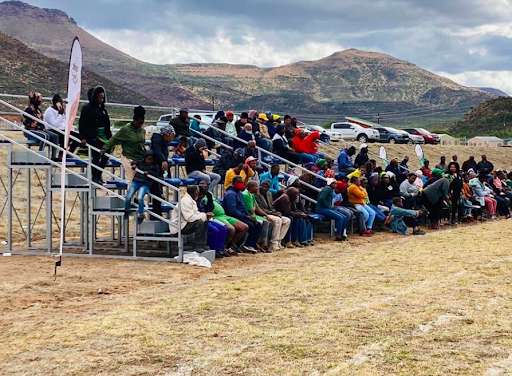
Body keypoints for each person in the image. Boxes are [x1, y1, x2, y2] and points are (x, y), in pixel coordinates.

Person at [102, 106, 147, 183]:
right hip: (129, 157)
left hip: (140, 157)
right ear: (134, 120)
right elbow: (114, 139)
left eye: (142, 123)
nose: (140, 125)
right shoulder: (125, 130)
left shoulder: (142, 131)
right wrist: (105, 148)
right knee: (132, 180)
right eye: (138, 123)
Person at [79, 87, 112, 184]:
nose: (101, 100)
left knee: (107, 153)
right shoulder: (87, 109)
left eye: (102, 98)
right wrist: (83, 137)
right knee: (97, 154)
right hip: (92, 136)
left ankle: (99, 173)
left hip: (103, 136)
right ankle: (95, 176)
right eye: (99, 98)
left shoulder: (103, 110)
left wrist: (110, 138)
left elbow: (107, 125)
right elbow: (82, 124)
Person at [223, 176, 263, 253]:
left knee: (257, 224)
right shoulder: (230, 194)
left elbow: (243, 207)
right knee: (250, 225)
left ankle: (249, 245)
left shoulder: (239, 193)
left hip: (241, 214)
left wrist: (248, 215)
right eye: (239, 183)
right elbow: (232, 210)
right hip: (233, 215)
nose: (241, 184)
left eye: (242, 183)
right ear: (234, 183)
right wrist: (245, 216)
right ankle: (232, 245)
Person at [124, 150, 160, 224]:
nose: (149, 161)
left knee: (140, 198)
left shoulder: (155, 166)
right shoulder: (140, 162)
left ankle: (141, 214)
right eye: (148, 159)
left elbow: (156, 174)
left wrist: (149, 173)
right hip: (136, 182)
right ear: (145, 158)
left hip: (145, 184)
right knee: (128, 197)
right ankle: (127, 210)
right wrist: (134, 165)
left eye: (151, 159)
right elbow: (135, 162)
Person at [169, 185, 210, 250]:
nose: (198, 194)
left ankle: (203, 244)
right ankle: (197, 246)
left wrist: (205, 215)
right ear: (194, 193)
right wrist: (204, 216)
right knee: (199, 223)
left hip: (185, 223)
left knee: (204, 220)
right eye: (197, 192)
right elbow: (189, 218)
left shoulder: (191, 200)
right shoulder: (185, 200)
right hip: (179, 226)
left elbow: (196, 213)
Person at [255, 180, 292, 251]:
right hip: (262, 214)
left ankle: (278, 241)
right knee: (278, 220)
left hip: (270, 213)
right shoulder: (256, 194)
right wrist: (272, 213)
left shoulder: (269, 194)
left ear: (269, 188)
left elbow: (271, 206)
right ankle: (273, 243)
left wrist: (276, 212)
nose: (264, 188)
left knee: (287, 220)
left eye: (266, 187)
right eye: (263, 186)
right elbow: (260, 208)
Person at [195, 185, 231, 258]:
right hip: (199, 222)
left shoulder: (201, 201)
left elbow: (209, 208)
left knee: (224, 229)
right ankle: (213, 249)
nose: (202, 197)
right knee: (214, 230)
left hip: (206, 219)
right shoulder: (192, 201)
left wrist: (210, 198)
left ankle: (219, 249)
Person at [242, 181, 273, 252]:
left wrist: (266, 215)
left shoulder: (252, 195)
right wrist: (254, 207)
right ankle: (260, 244)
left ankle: (262, 243)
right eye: (256, 186)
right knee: (263, 222)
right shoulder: (245, 195)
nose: (257, 188)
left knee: (269, 222)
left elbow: (257, 207)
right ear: (251, 187)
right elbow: (251, 210)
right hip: (248, 215)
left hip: (253, 215)